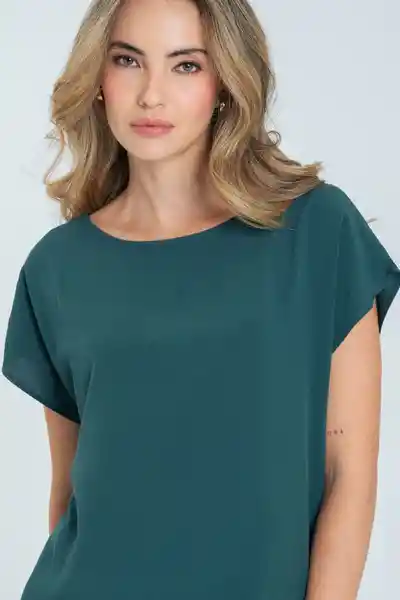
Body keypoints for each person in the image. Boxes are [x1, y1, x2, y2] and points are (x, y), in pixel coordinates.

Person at [2, 0, 400, 598]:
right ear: (98, 79)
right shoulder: (57, 267)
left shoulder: (317, 231)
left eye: (185, 65)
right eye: (128, 60)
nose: (151, 94)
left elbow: (348, 475)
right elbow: (72, 493)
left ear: (224, 84)